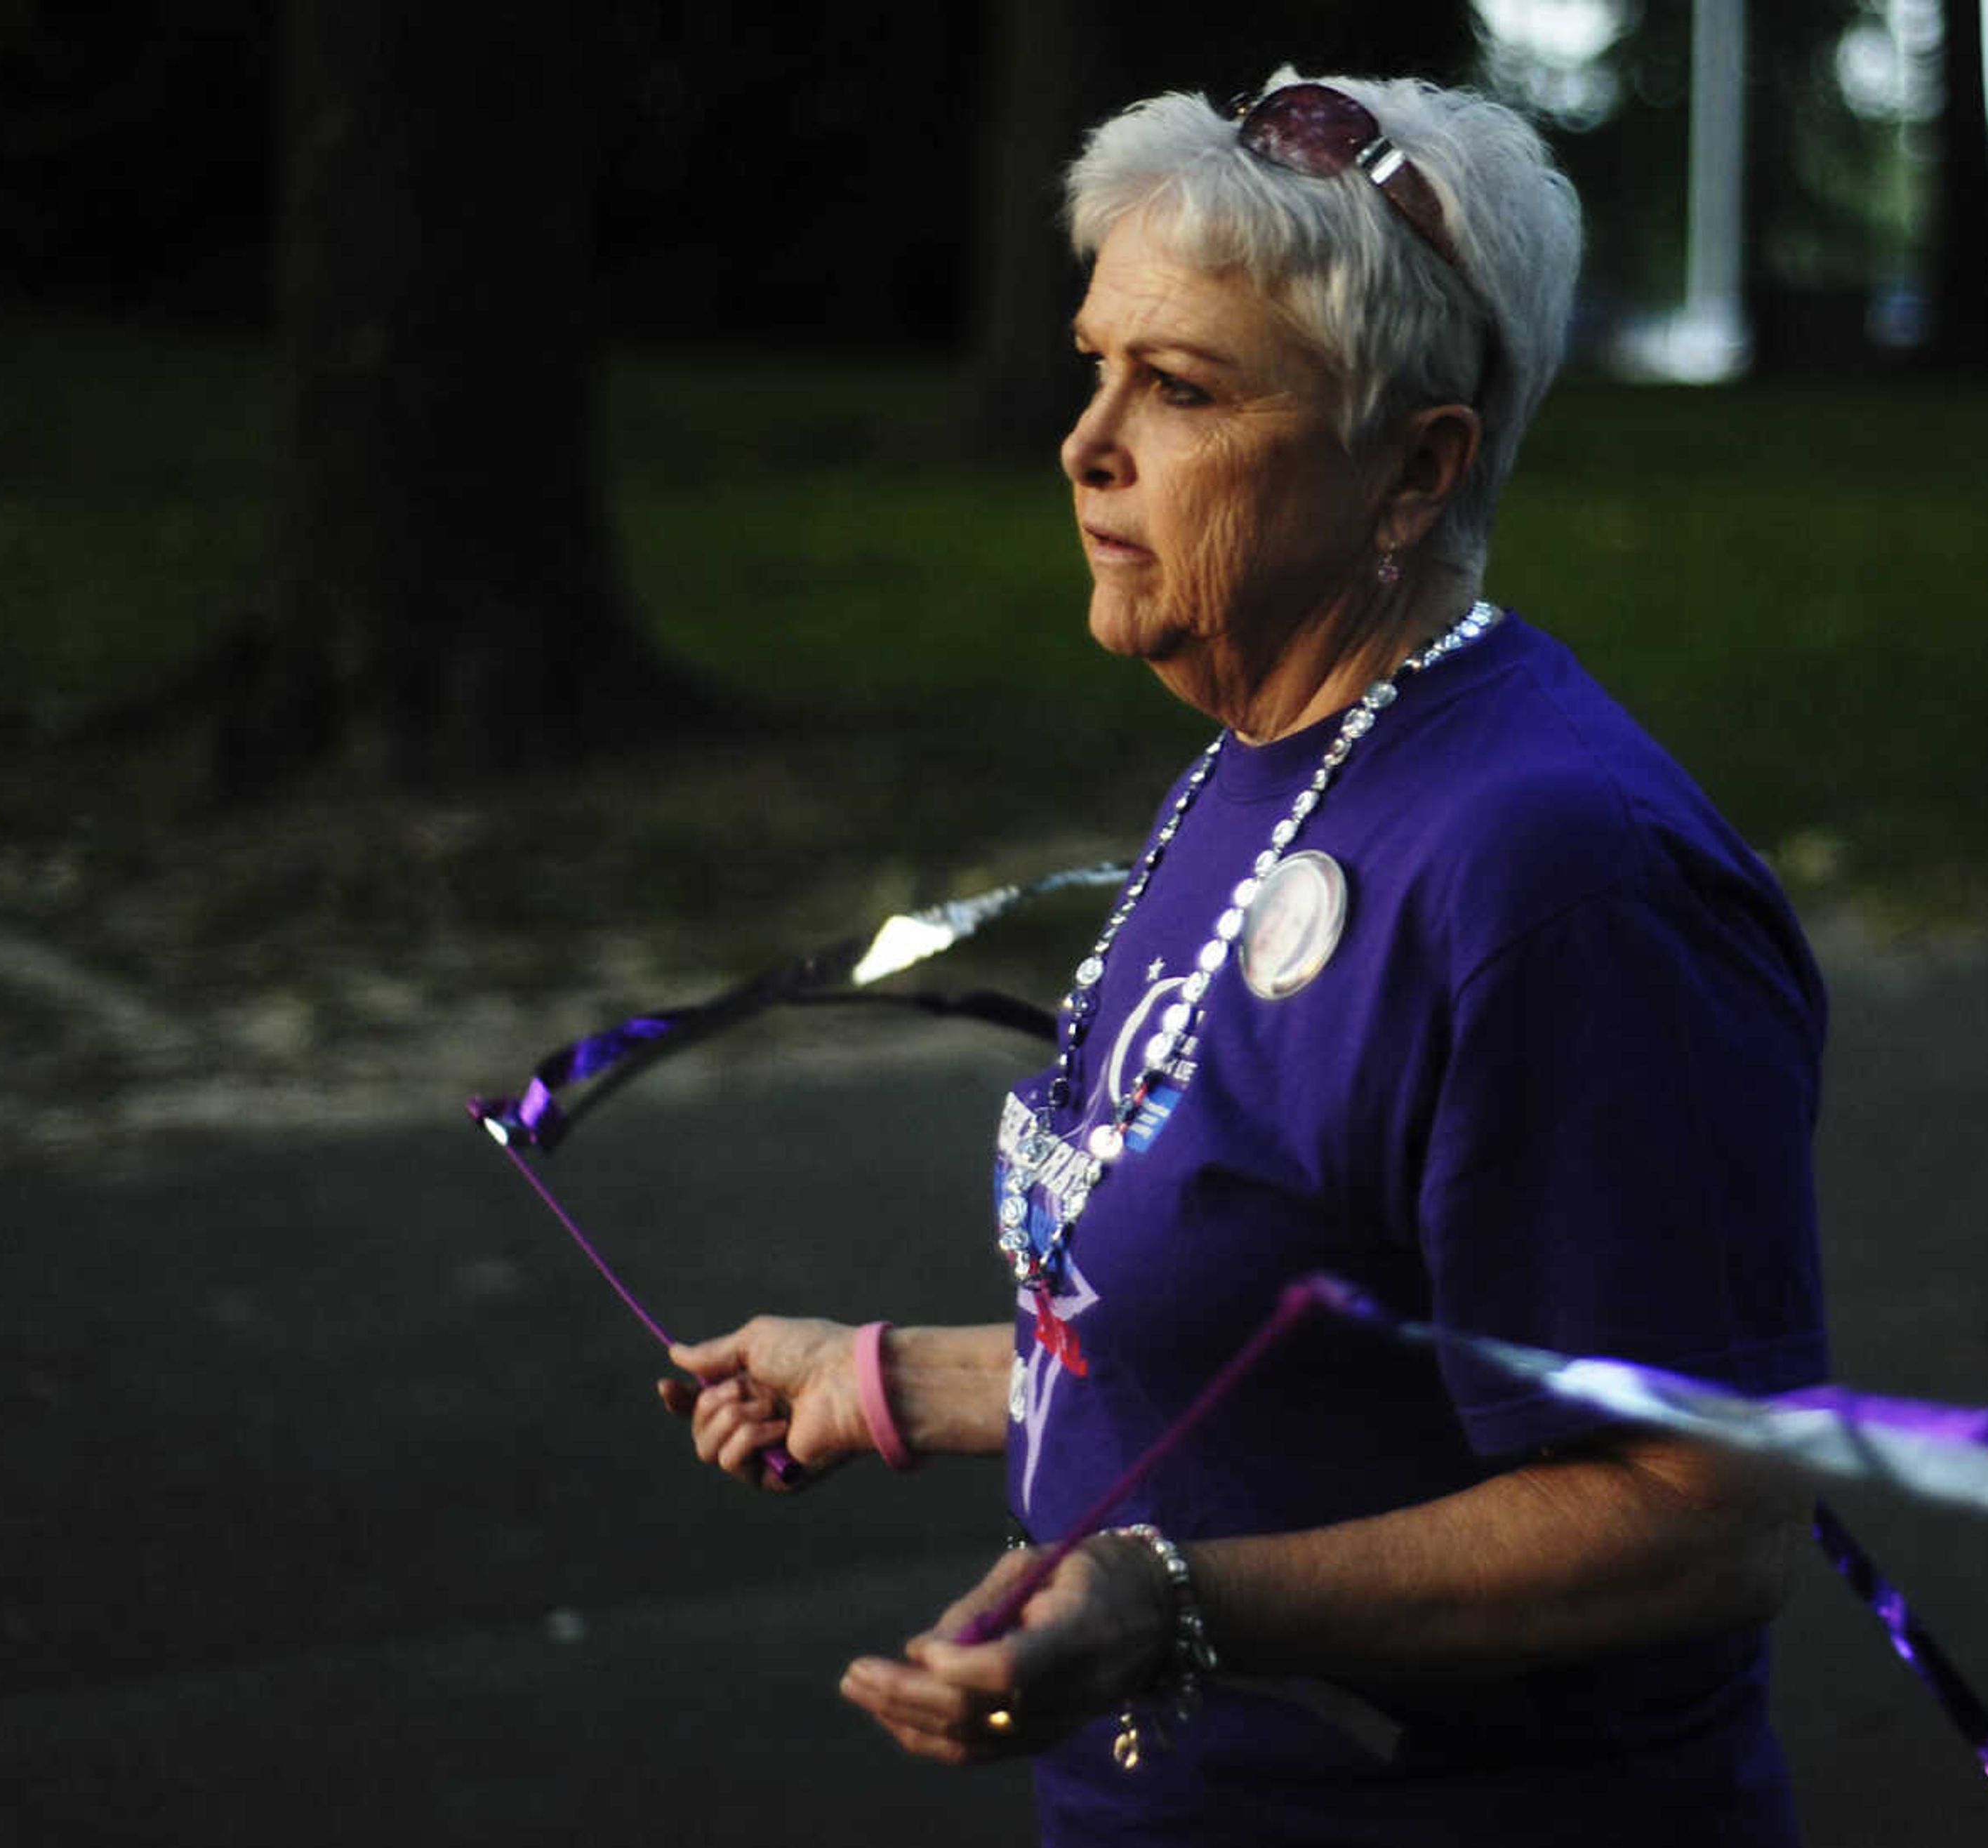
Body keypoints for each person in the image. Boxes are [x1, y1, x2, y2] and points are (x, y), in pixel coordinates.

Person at [657, 69, 1829, 1846]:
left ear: (1416, 469)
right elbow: (1293, 1337)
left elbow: (1707, 1509)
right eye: (1095, 364)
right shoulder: (1277, 745)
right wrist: (888, 1379)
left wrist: (1182, 1608)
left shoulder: (1561, 880)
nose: (1085, 442)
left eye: (1181, 388)